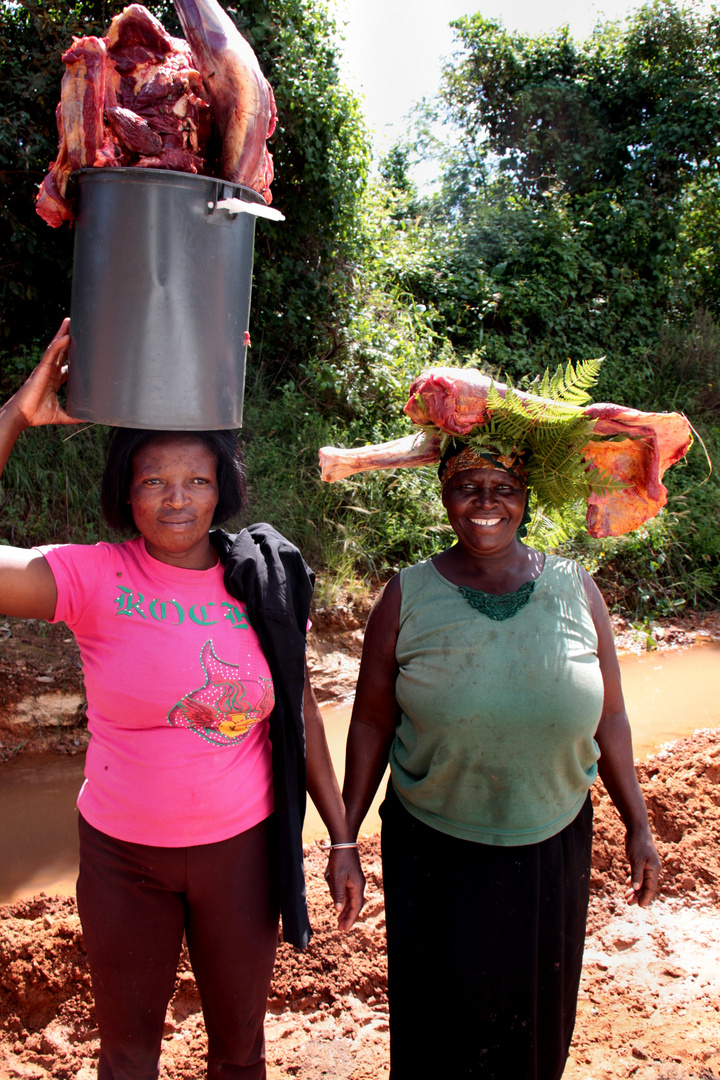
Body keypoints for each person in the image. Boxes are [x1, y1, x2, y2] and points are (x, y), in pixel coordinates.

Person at [0, 319, 365, 1080]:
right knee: (128, 1055)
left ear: (221, 488)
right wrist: (17, 415)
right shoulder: (92, 578)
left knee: (240, 1055)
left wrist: (340, 838)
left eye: (196, 480)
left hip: (242, 856)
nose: (176, 500)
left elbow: (299, 716)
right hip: (122, 860)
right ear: (125, 493)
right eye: (153, 481)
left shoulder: (263, 579)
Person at [341, 439, 662, 1080]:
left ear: (526, 500)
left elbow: (613, 717)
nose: (487, 503)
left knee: (537, 1020)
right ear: (443, 497)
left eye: (504, 489)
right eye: (468, 487)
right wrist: (344, 840)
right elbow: (372, 721)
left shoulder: (577, 586)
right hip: (435, 847)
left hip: (552, 841)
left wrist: (640, 825)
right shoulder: (407, 595)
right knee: (439, 1024)